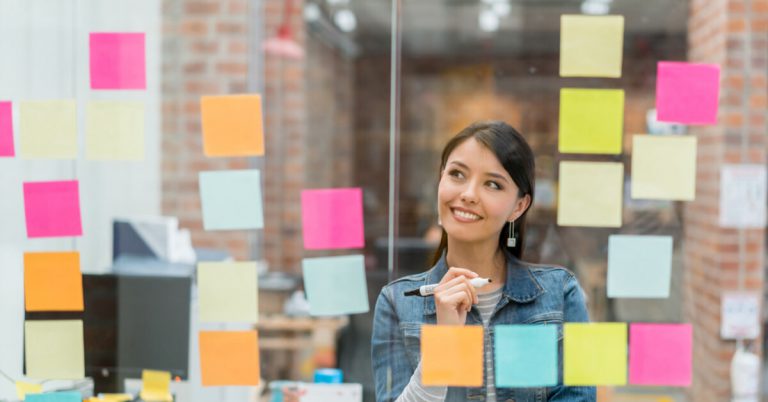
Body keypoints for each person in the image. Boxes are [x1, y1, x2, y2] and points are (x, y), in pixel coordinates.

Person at [371, 121, 596, 402]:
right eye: (457, 174)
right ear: (440, 181)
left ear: (519, 206)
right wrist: (445, 342)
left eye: (492, 184)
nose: (468, 194)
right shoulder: (397, 302)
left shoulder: (560, 294)